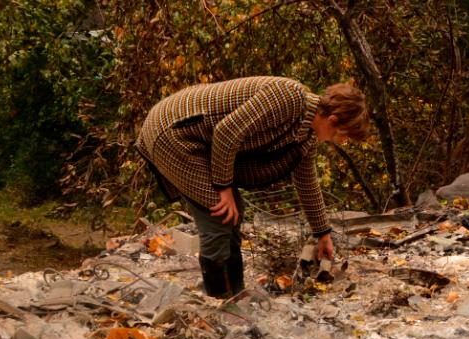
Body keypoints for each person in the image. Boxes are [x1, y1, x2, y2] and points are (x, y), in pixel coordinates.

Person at [135, 77, 369, 298]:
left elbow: (307, 183)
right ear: (333, 120)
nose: (339, 142)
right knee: (219, 213)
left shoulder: (306, 134)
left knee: (235, 213)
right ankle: (220, 301)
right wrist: (223, 187)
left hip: (199, 140)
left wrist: (322, 234)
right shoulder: (289, 98)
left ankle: (235, 293)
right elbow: (226, 132)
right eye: (342, 136)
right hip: (172, 132)